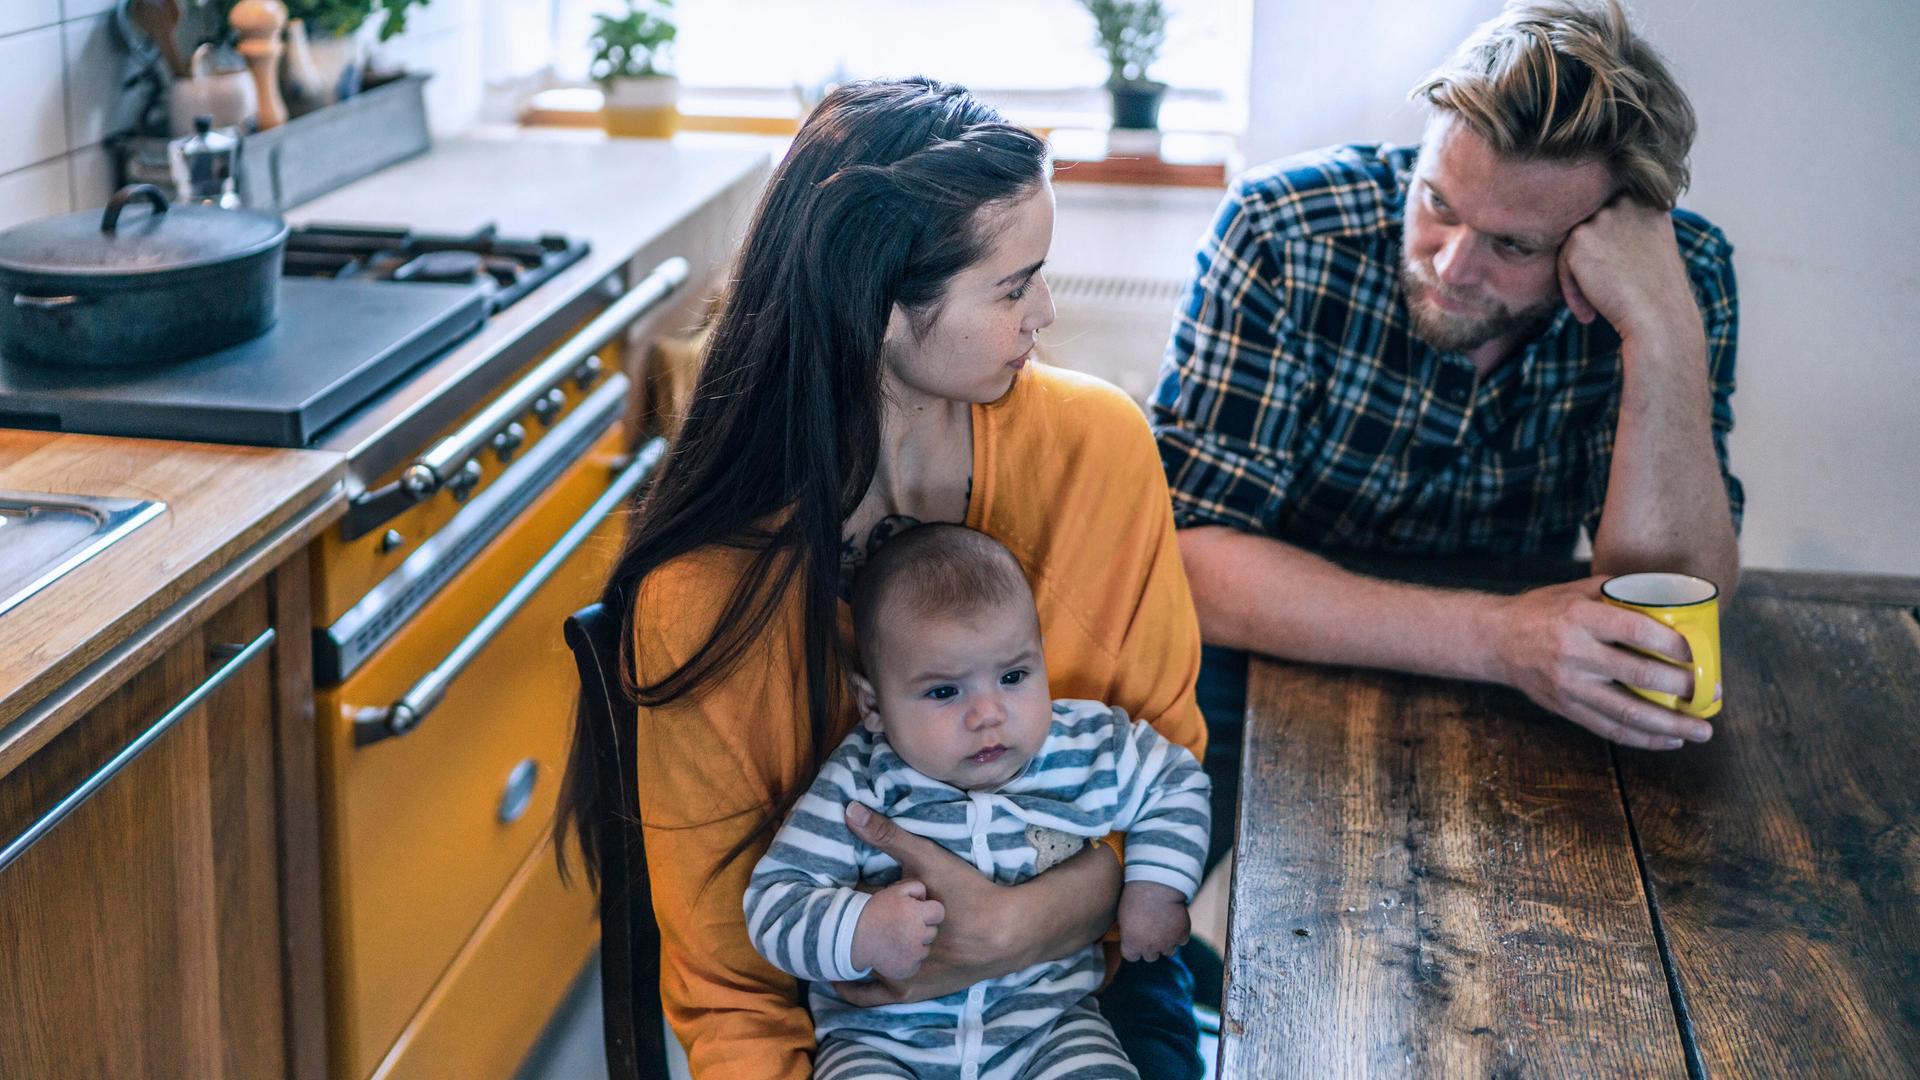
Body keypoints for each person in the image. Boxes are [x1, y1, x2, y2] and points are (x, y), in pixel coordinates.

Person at [554, 78, 1210, 1079]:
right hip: (855, 1041)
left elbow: (1164, 781)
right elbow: (733, 991)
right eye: (1011, 283)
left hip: (1091, 988)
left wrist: (1011, 928)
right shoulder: (700, 601)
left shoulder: (1102, 452)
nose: (1045, 309)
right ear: (882, 311)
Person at [1150, 0, 1745, 873]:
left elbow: (1676, 602)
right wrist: (1497, 639)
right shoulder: (1283, 233)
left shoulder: (1678, 281)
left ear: (1610, 229)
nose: (1452, 265)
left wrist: (1661, 335)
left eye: (1514, 244)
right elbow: (1190, 565)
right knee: (1132, 893)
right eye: (1437, 201)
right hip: (1272, 647)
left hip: (1526, 686)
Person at [744, 524, 1210, 1080]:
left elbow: (1177, 782)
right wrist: (860, 926)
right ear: (873, 705)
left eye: (1013, 675)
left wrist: (1156, 888)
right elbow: (774, 904)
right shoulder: (860, 783)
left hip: (1049, 1030)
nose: (989, 713)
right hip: (883, 1042)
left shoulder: (1086, 746)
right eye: (945, 691)